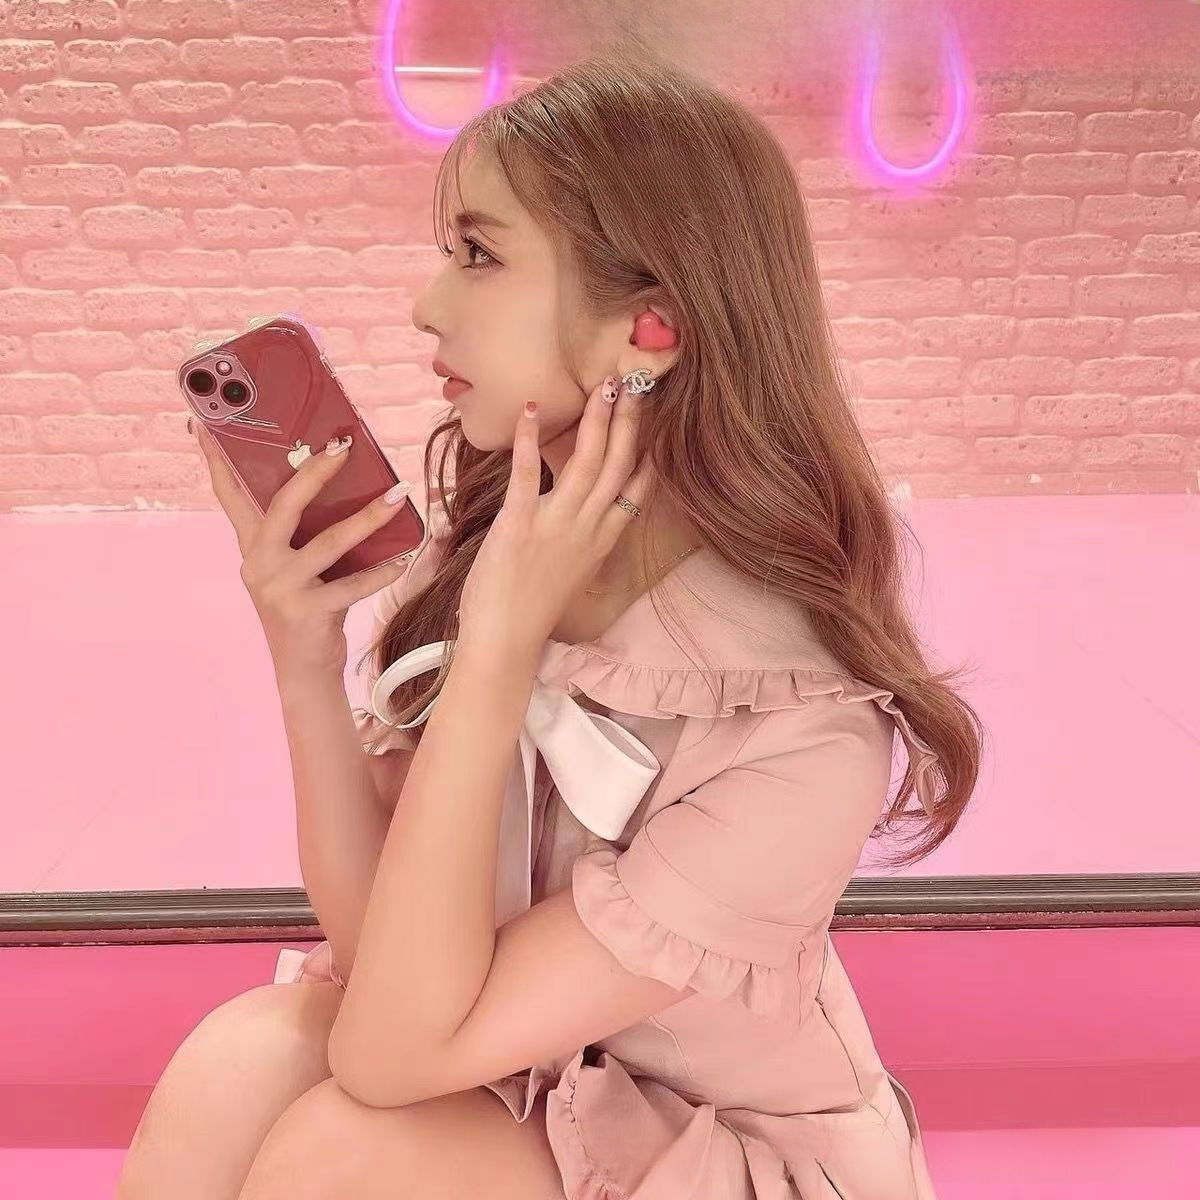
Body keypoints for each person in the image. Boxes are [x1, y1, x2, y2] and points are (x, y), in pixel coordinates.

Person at [122, 49, 982, 1200]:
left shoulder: (805, 734)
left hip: (729, 1153)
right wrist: (304, 658)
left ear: (650, 330)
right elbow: (385, 971)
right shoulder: (510, 569)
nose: (427, 305)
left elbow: (387, 1060)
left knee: (348, 1151)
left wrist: (495, 661)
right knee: (242, 1062)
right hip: (529, 1086)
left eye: (478, 256)